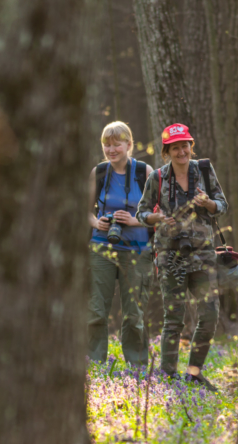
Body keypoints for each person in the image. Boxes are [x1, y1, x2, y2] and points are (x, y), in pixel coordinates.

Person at [136, 123, 227, 391]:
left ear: (191, 146)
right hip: (170, 255)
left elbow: (222, 205)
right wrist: (154, 217)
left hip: (203, 255)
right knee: (174, 318)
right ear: (167, 151)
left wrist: (208, 203)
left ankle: (194, 373)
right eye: (175, 147)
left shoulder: (205, 171)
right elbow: (142, 213)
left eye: (185, 145)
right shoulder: (158, 178)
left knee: (209, 315)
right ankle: (167, 375)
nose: (182, 151)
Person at [88, 122, 154, 366]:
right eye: (107, 144)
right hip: (101, 247)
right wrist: (97, 224)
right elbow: (86, 213)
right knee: (96, 311)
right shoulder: (99, 172)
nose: (111, 149)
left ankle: (136, 369)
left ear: (129, 144)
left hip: (137, 251)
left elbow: (161, 214)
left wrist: (135, 221)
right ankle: (94, 365)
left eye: (117, 144)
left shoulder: (144, 172)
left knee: (134, 314)